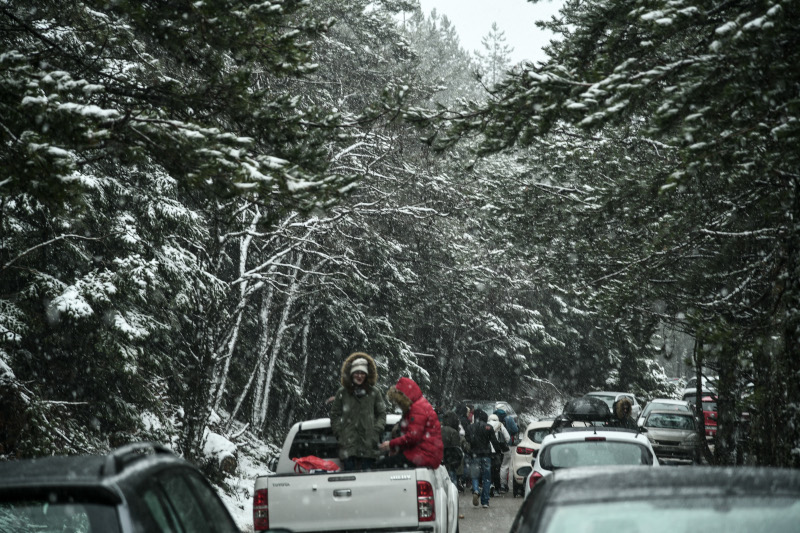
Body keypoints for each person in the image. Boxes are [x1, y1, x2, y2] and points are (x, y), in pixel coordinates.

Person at [330, 352, 387, 471]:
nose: (359, 376)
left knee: (367, 480)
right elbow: (334, 415)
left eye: (362, 373)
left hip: (369, 446)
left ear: (367, 375)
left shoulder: (374, 392)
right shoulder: (342, 392)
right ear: (351, 374)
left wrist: (375, 432)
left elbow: (382, 414)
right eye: (356, 373)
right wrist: (340, 434)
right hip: (348, 446)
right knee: (350, 479)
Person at [377, 377, 443, 469]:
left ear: (403, 398)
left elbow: (412, 437)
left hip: (424, 455)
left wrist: (390, 444)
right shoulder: (419, 405)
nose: (399, 405)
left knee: (382, 465)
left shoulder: (417, 409)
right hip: (427, 454)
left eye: (399, 402)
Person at [466, 409, 501, 509]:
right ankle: (485, 501)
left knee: (475, 476)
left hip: (474, 455)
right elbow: (494, 441)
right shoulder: (488, 427)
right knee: (487, 478)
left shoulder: (470, 427)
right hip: (486, 455)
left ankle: (476, 490)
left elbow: (468, 440)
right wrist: (498, 452)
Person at [494, 409, 518, 492]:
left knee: (496, 466)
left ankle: (496, 484)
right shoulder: (509, 419)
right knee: (504, 466)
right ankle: (503, 485)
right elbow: (515, 430)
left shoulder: (491, 423)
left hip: (494, 448)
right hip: (505, 446)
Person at [440, 411, 464, 487]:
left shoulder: (438, 430)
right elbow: (456, 448)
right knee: (452, 481)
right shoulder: (453, 432)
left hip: (440, 459)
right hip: (450, 460)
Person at [488, 414, 510, 495]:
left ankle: (489, 484)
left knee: (489, 469)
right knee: (497, 469)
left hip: (487, 450)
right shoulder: (500, 425)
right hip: (497, 450)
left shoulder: (486, 425)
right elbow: (507, 438)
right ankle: (498, 487)